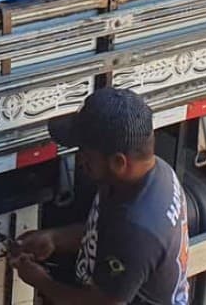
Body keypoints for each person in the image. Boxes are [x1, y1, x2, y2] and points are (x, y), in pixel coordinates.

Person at [10, 87, 190, 305]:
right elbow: (107, 234)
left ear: (118, 162)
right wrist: (55, 238)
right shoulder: (151, 173)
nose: (79, 160)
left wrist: (41, 281)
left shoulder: (137, 229)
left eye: (85, 153)